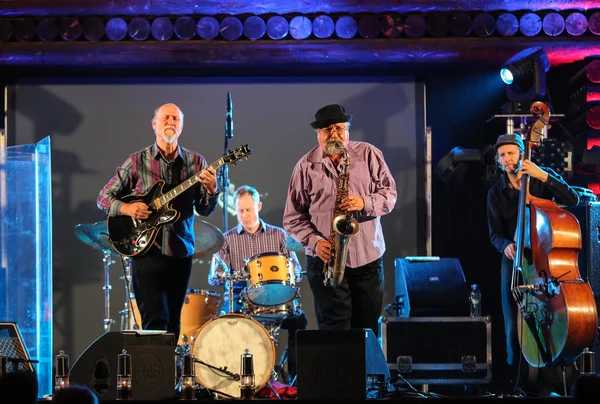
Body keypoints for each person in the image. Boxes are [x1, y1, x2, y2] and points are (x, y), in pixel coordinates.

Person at [97, 103, 219, 343]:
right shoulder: (136, 161)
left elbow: (204, 209)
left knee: (174, 321)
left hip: (180, 249)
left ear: (182, 126)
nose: (170, 122)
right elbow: (103, 197)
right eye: (165, 118)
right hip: (145, 251)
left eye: (175, 118)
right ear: (155, 124)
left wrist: (212, 190)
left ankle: (168, 377)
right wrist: (127, 207)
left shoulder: (196, 162)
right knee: (154, 319)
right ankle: (153, 377)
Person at [283, 103, 397, 337]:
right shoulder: (305, 166)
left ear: (348, 131)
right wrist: (315, 242)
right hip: (326, 261)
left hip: (368, 260)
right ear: (318, 135)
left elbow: (390, 195)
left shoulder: (368, 154)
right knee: (335, 335)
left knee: (368, 331)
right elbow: (292, 218)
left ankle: (366, 375)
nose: (334, 134)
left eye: (339, 129)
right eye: (327, 130)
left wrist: (364, 202)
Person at [486, 133, 579, 390]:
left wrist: (543, 175)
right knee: (512, 326)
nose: (507, 159)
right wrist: (505, 245)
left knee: (550, 319)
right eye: (502, 155)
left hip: (544, 260)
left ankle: (552, 381)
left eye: (512, 153)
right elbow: (494, 234)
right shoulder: (496, 193)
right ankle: (517, 385)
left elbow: (573, 199)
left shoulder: (539, 176)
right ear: (498, 159)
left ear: (522, 153)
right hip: (515, 261)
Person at [208, 185, 307, 384]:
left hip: (276, 299)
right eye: (240, 211)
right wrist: (234, 275)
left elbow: (296, 271)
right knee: (223, 323)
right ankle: (229, 377)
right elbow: (214, 278)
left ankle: (296, 379)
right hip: (240, 300)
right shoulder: (226, 239)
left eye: (248, 210)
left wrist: (291, 275)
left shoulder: (279, 235)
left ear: (259, 206)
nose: (244, 215)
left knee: (299, 321)